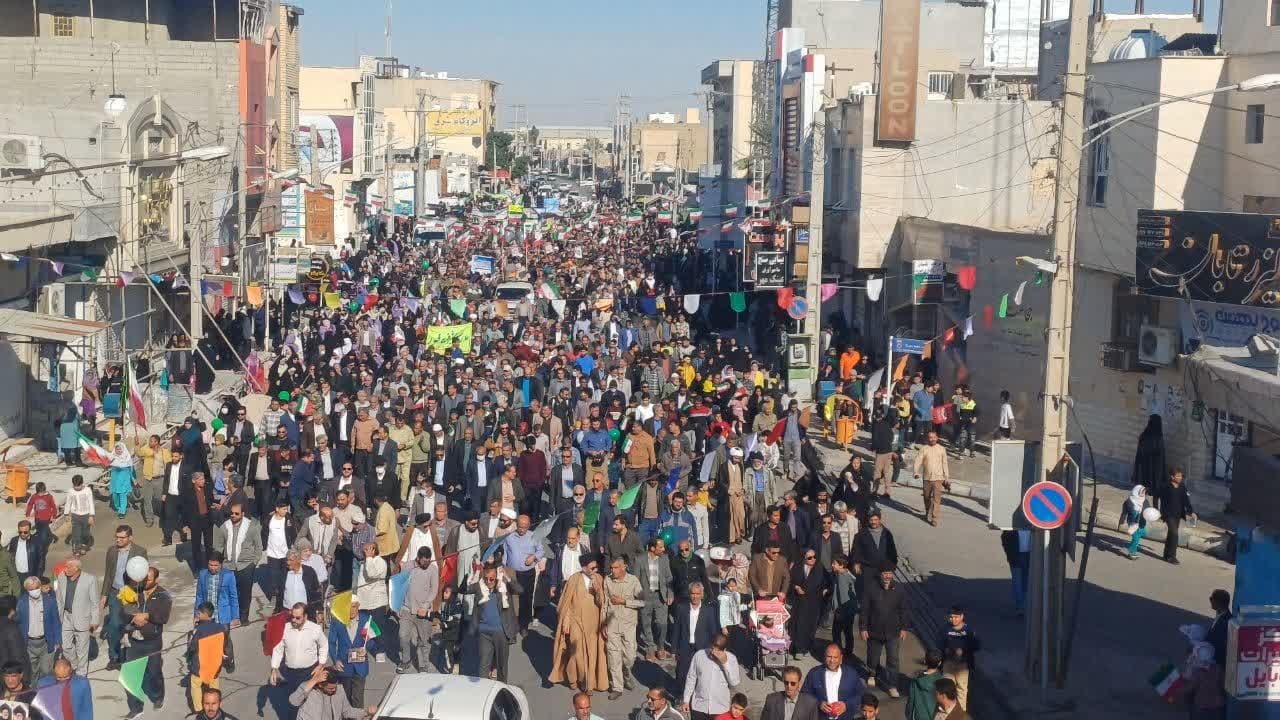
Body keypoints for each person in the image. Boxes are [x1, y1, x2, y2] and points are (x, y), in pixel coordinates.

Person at [549, 554, 609, 692]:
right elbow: (566, 603)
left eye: (596, 567)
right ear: (584, 568)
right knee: (576, 654)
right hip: (575, 621)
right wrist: (566, 620)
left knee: (592, 654)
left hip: (593, 624)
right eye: (592, 568)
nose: (595, 570)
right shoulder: (574, 579)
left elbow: (603, 604)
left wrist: (598, 590)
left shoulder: (599, 579)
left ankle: (588, 683)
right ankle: (574, 679)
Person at [123, 566, 172, 719]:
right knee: (130, 675)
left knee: (154, 673)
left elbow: (163, 617)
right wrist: (134, 616)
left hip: (152, 642)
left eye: (149, 579)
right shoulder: (134, 591)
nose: (145, 582)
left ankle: (158, 697)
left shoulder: (164, 595)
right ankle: (136, 707)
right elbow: (124, 608)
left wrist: (147, 616)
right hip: (134, 641)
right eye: (144, 578)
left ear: (157, 579)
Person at [269, 602, 328, 720]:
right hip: (291, 673)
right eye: (292, 617)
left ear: (305, 616)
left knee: (309, 703)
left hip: (309, 672)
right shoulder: (285, 628)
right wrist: (274, 669)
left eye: (298, 618)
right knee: (293, 702)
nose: (294, 620)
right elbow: (278, 649)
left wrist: (321, 664)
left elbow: (324, 645)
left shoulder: (315, 629)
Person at [100, 524, 147, 671]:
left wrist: (139, 591)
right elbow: (108, 574)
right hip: (115, 593)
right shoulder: (111, 551)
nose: (118, 540)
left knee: (130, 626)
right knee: (114, 625)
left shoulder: (140, 552)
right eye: (117, 537)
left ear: (130, 538)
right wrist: (104, 594)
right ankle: (114, 657)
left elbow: (143, 574)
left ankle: (130, 657)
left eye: (122, 537)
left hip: (131, 594)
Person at [860, 565, 909, 697]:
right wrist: (863, 628)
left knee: (893, 660)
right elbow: (865, 609)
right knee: (873, 657)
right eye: (885, 573)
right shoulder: (871, 588)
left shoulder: (899, 589)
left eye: (890, 573)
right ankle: (872, 673)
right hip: (874, 630)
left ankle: (892, 685)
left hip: (893, 631)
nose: (887, 576)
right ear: (880, 574)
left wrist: (904, 628)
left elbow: (904, 610)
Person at [467, 566, 520, 682]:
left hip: (501, 632)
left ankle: (501, 687)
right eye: (486, 578)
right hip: (484, 632)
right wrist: (474, 572)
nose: (488, 581)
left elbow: (519, 590)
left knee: (501, 665)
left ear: (496, 577)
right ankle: (483, 689)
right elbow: (464, 589)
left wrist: (506, 576)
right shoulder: (480, 586)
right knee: (483, 664)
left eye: (491, 579)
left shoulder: (504, 586)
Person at [603, 555, 644, 699]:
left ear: (624, 567)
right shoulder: (607, 580)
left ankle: (626, 673)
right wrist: (603, 624)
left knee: (630, 658)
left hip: (628, 626)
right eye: (611, 568)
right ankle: (617, 687)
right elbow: (605, 604)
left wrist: (624, 602)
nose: (612, 570)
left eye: (615, 568)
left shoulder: (633, 581)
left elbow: (642, 602)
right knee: (613, 658)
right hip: (612, 625)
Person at [328, 596, 378, 707]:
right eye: (348, 607)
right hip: (344, 666)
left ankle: (358, 715)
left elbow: (371, 640)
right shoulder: (337, 621)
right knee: (345, 699)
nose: (351, 610)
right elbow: (331, 643)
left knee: (358, 699)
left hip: (360, 665)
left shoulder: (366, 619)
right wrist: (335, 660)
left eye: (354, 607)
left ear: (358, 606)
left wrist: (367, 649)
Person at [397, 546, 439, 674]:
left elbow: (434, 590)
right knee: (403, 636)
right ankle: (406, 661)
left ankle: (423, 665)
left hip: (423, 611)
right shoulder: (408, 566)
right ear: (418, 558)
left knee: (423, 639)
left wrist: (425, 606)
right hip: (407, 608)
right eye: (424, 561)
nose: (427, 563)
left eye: (429, 560)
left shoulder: (433, 569)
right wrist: (398, 605)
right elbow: (400, 586)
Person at [671, 581, 720, 688]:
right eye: (693, 593)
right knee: (682, 673)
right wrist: (674, 649)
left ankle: (697, 694)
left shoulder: (709, 610)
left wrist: (715, 648)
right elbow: (676, 629)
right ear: (689, 594)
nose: (695, 596)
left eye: (698, 594)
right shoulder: (681, 608)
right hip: (685, 646)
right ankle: (682, 694)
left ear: (702, 594)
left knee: (701, 674)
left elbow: (713, 631)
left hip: (703, 648)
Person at [54, 558, 99, 676]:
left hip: (82, 618)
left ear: (77, 568)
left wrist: (95, 620)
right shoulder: (61, 577)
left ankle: (81, 673)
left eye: (68, 567)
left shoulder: (90, 579)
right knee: (66, 646)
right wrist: (58, 617)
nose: (65, 569)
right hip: (66, 616)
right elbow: (59, 599)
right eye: (66, 566)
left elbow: (94, 602)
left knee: (82, 648)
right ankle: (74, 665)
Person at [681, 633, 740, 720]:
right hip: (699, 707)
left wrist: (725, 663)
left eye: (717, 651)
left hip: (720, 709)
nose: (713, 652)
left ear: (724, 650)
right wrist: (686, 700)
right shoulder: (699, 655)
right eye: (712, 648)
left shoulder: (732, 659)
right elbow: (691, 678)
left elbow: (734, 683)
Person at [800, 643, 864, 720]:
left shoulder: (851, 674)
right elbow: (804, 694)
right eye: (829, 657)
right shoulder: (814, 673)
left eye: (835, 657)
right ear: (824, 657)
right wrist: (819, 703)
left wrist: (846, 705)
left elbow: (860, 695)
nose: (832, 660)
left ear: (841, 658)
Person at [188, 601, 232, 711]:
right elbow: (225, 644)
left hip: (199, 666)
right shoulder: (221, 628)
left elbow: (192, 647)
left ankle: (199, 709)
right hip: (215, 665)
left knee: (196, 685)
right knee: (214, 685)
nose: (197, 615)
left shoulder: (198, 630)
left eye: (199, 613)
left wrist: (194, 628)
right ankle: (215, 706)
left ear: (204, 614)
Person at [288, 665, 376, 720]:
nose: (334, 690)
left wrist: (366, 712)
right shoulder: (308, 689)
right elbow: (294, 701)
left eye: (335, 687)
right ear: (320, 685)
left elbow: (347, 711)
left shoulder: (340, 689)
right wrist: (314, 680)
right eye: (330, 688)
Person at [635, 537, 674, 661]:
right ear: (652, 548)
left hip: (661, 596)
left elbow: (669, 578)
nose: (663, 549)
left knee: (662, 624)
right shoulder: (640, 559)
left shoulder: (664, 559)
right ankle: (650, 649)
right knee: (646, 624)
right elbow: (636, 579)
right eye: (660, 547)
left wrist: (670, 593)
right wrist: (638, 596)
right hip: (645, 596)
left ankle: (661, 647)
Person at [16, 575, 59, 683]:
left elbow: (56, 621)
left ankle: (46, 690)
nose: (34, 591)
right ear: (27, 590)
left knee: (46, 670)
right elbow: (18, 623)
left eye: (36, 587)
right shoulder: (21, 602)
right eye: (31, 589)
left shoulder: (50, 601)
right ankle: (34, 690)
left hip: (46, 642)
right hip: (29, 643)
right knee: (32, 672)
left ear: (40, 587)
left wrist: (57, 640)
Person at [789, 549, 828, 659]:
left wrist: (825, 590)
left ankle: (806, 647)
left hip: (813, 601)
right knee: (798, 624)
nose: (813, 559)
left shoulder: (820, 568)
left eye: (814, 557)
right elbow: (790, 581)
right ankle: (798, 649)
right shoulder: (797, 567)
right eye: (810, 558)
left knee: (810, 625)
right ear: (804, 558)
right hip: (799, 602)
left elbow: (826, 582)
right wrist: (796, 587)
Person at [939, 605, 979, 710]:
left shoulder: (968, 630)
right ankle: (948, 710)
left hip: (963, 665)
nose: (953, 619)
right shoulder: (945, 629)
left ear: (962, 616)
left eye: (956, 617)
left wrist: (964, 650)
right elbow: (939, 644)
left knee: (962, 690)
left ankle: (960, 713)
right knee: (946, 689)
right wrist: (946, 649)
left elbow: (976, 646)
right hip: (948, 663)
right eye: (951, 617)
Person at [1155, 468, 1196, 564]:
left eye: (1181, 476)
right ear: (1172, 477)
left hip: (1178, 514)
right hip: (1168, 514)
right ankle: (1172, 556)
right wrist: (1156, 509)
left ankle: (1166, 554)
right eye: (1178, 476)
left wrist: (1191, 512)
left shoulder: (1182, 487)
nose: (1180, 478)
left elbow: (1186, 501)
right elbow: (1156, 496)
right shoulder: (1165, 486)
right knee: (1174, 534)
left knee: (1171, 534)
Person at [913, 431, 950, 526]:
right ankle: (927, 511)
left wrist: (946, 477)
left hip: (938, 478)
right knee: (926, 497)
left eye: (934, 437)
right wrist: (916, 472)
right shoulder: (924, 449)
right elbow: (918, 461)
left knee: (937, 499)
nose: (932, 439)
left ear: (937, 438)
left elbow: (945, 463)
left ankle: (934, 518)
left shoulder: (941, 449)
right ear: (928, 438)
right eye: (930, 437)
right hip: (927, 478)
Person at [906, 649, 944, 720]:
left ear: (925, 661)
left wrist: (909, 715)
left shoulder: (916, 680)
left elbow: (911, 700)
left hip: (919, 716)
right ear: (939, 663)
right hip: (935, 716)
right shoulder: (942, 680)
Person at [64, 474, 95, 556]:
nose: (77, 488)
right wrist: (66, 514)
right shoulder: (71, 491)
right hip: (75, 515)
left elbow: (91, 503)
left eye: (78, 486)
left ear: (82, 483)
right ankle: (77, 549)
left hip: (86, 515)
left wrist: (91, 516)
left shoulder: (87, 490)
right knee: (76, 533)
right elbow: (68, 502)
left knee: (85, 533)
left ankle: (84, 546)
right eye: (75, 486)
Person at [108, 443, 135, 518]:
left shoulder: (127, 458)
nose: (118, 450)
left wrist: (133, 479)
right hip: (115, 481)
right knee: (115, 496)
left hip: (124, 480)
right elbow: (107, 464)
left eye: (120, 449)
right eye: (117, 449)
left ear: (123, 449)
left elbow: (131, 469)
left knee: (122, 495)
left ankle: (122, 511)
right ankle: (118, 507)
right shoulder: (112, 457)